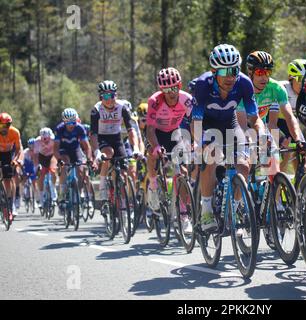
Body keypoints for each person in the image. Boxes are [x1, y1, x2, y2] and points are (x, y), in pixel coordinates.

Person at [192, 44, 266, 232]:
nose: (230, 76)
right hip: (207, 124)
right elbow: (196, 122)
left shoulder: (244, 83)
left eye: (234, 70)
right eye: (224, 71)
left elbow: (253, 118)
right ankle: (207, 209)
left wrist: (262, 135)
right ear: (214, 71)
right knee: (212, 155)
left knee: (244, 165)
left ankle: (236, 206)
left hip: (229, 122)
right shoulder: (203, 85)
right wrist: (200, 143)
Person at [145, 67, 193, 232]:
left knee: (183, 173)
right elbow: (149, 129)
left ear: (179, 85)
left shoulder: (186, 99)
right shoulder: (154, 101)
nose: (171, 92)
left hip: (175, 133)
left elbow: (195, 123)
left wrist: (196, 141)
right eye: (166, 89)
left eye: (174, 88)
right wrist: (156, 146)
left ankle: (183, 214)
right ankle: (152, 186)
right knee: (151, 155)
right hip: (157, 134)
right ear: (161, 90)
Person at [90, 80, 142, 203]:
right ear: (100, 97)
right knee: (108, 154)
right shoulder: (96, 110)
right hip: (102, 138)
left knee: (124, 174)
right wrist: (97, 152)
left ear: (116, 95)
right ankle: (102, 186)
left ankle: (123, 205)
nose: (109, 99)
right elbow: (93, 134)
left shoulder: (122, 107)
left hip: (116, 138)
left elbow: (131, 130)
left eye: (112, 95)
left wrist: (135, 148)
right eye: (106, 96)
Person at [53, 108, 94, 209]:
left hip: (75, 149)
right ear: (64, 122)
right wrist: (59, 160)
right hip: (63, 150)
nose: (71, 125)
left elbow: (87, 146)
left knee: (81, 169)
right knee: (65, 164)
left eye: (73, 122)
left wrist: (89, 159)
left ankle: (77, 194)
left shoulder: (80, 128)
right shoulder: (60, 129)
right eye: (68, 122)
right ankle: (62, 195)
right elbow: (55, 148)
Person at [0, 113, 23, 216]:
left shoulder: (15, 132)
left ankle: (11, 203)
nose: (4, 129)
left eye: (6, 126)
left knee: (9, 178)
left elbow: (19, 149)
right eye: (1, 126)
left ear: (10, 125)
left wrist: (16, 160)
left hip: (10, 153)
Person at [33, 127, 57, 208]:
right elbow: (35, 155)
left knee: (53, 171)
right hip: (42, 156)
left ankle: (53, 189)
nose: (45, 140)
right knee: (41, 175)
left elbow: (58, 150)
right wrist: (37, 165)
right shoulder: (37, 141)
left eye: (47, 138)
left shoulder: (54, 139)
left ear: (50, 136)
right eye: (43, 139)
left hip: (52, 156)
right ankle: (41, 196)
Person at [18, 138, 38, 208]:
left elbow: (38, 162)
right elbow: (22, 162)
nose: (31, 146)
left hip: (33, 167)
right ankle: (21, 196)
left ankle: (34, 200)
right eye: (30, 145)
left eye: (33, 145)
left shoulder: (37, 151)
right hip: (26, 167)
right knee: (23, 181)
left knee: (34, 183)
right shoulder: (25, 152)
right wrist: (22, 171)